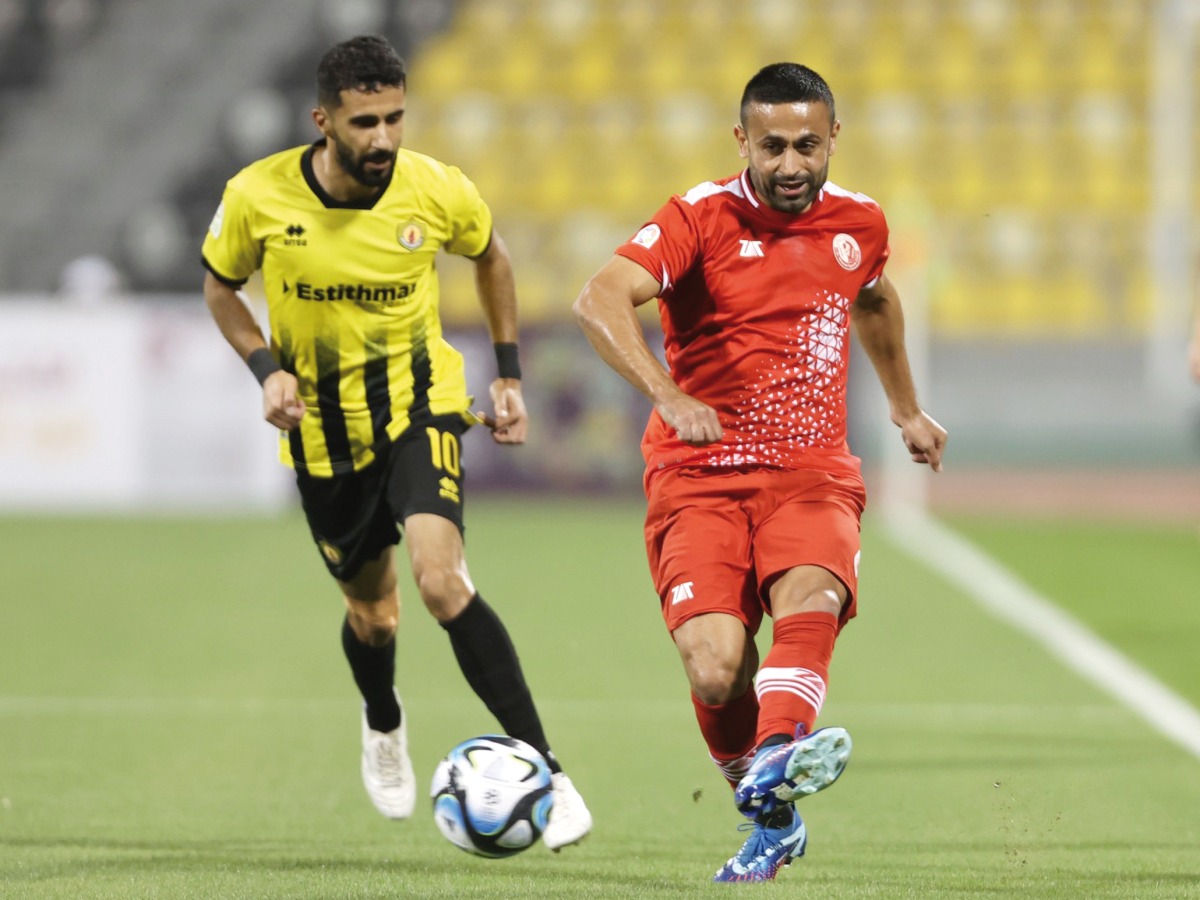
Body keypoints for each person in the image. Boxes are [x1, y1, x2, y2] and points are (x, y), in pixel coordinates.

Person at [201, 35, 591, 850]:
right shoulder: (258, 195)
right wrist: (266, 369)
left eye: (395, 118)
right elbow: (220, 286)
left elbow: (491, 256)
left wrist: (508, 374)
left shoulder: (435, 189)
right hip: (324, 436)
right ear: (323, 121)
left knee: (441, 582)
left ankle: (550, 771)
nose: (383, 138)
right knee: (373, 616)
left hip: (423, 410)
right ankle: (383, 721)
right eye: (365, 122)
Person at [573, 63, 946, 882]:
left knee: (810, 595)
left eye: (806, 145)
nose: (790, 164)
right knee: (715, 670)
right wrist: (668, 394)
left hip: (811, 472)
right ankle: (770, 816)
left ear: (833, 138)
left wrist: (906, 409)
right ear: (741, 140)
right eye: (772, 146)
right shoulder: (697, 218)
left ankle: (779, 750)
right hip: (698, 478)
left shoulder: (860, 223)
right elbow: (599, 298)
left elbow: (874, 299)